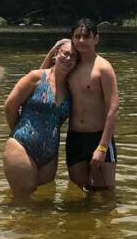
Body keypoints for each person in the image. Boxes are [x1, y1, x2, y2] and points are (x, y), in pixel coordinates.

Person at [42, 19, 119, 191]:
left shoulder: (103, 68)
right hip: (75, 137)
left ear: (96, 39)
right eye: (77, 36)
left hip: (98, 137)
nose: (82, 40)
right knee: (78, 191)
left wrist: (102, 147)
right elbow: (43, 79)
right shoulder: (69, 65)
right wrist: (52, 52)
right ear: (72, 38)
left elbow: (113, 109)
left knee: (106, 193)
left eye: (86, 36)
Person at [2, 41, 75, 197]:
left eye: (74, 57)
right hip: (22, 145)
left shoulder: (71, 88)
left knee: (44, 203)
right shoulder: (36, 77)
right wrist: (18, 130)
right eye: (65, 53)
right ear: (56, 54)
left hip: (50, 152)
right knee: (22, 202)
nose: (69, 59)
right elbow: (10, 106)